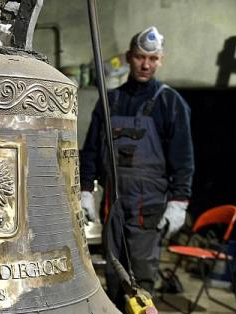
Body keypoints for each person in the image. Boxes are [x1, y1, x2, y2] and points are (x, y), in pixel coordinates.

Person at [80, 26, 195, 296]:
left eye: (153, 59)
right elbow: (91, 151)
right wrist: (85, 189)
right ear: (129, 57)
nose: (146, 65)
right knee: (113, 273)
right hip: (113, 202)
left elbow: (183, 158)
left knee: (141, 280)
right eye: (141, 57)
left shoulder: (170, 102)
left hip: (149, 207)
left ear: (161, 60)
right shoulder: (109, 102)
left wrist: (179, 201)